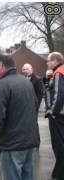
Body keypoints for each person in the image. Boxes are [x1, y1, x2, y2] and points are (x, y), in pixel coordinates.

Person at [0, 54, 39, 180]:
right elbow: (35, 106)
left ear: (1, 65)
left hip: (12, 144)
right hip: (28, 143)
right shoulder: (26, 83)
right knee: (28, 176)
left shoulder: (2, 85)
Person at [45, 52, 64, 180]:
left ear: (55, 60)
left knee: (59, 145)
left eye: (49, 61)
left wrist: (52, 112)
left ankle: (59, 173)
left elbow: (58, 94)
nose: (47, 63)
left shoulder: (59, 73)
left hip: (59, 116)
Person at [22, 63, 44, 149]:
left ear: (31, 70)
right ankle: (27, 142)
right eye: (23, 69)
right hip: (24, 107)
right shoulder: (22, 79)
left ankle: (36, 144)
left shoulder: (37, 79)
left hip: (33, 107)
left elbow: (40, 94)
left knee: (34, 125)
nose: (25, 71)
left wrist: (36, 106)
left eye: (27, 69)